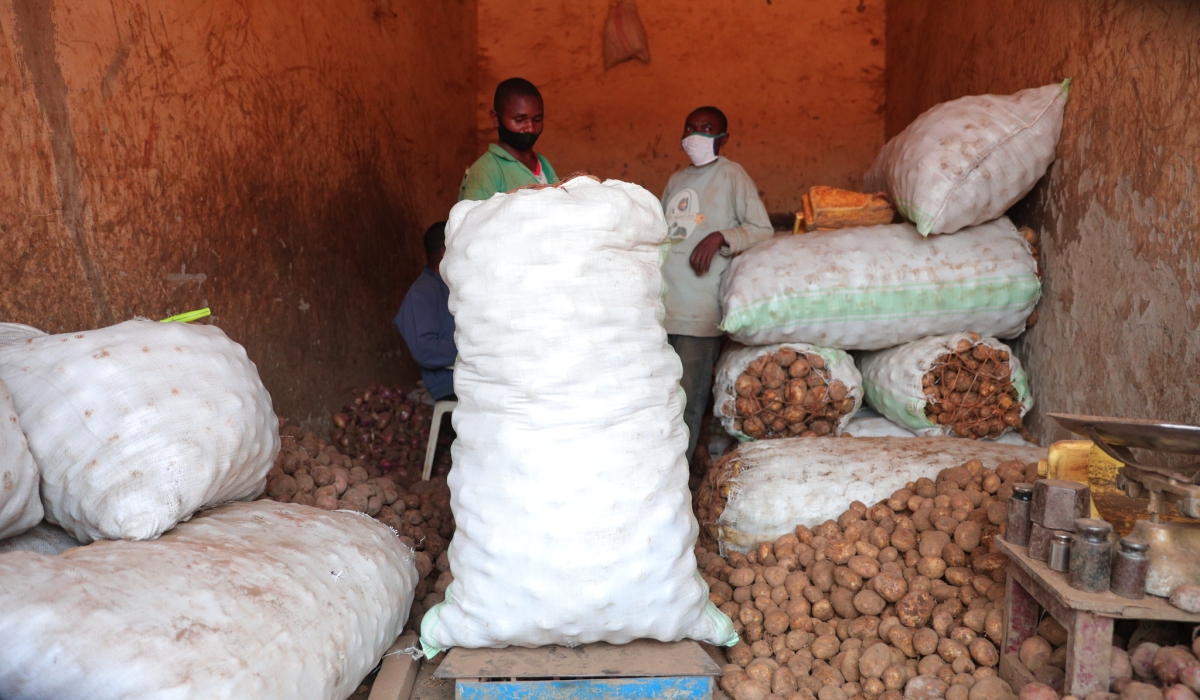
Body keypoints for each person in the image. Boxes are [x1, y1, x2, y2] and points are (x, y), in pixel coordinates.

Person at [661, 106, 773, 471]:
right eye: (690, 127)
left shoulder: (731, 175)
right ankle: (660, 469)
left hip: (698, 314)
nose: (696, 135)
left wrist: (720, 236)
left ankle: (674, 480)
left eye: (707, 129)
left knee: (688, 404)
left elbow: (761, 229)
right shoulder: (676, 180)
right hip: (665, 311)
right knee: (661, 400)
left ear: (723, 139)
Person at [459, 78, 559, 201]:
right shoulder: (484, 171)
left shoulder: (543, 163)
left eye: (537, 119)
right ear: (496, 119)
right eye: (520, 120)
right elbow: (475, 219)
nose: (530, 128)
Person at [395, 222, 457, 401]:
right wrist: (471, 351)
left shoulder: (452, 286)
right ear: (445, 252)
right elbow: (424, 348)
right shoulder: (422, 292)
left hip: (470, 374)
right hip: (449, 381)